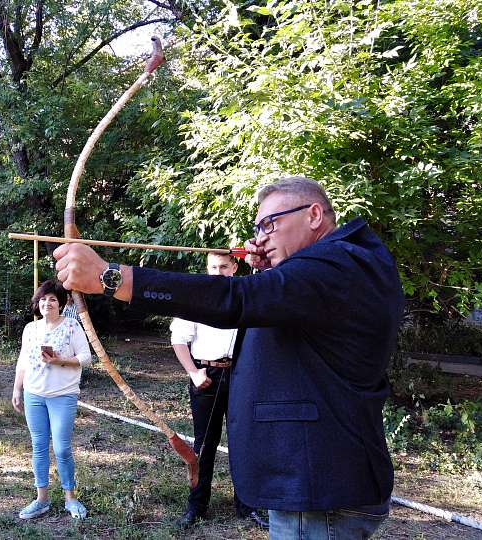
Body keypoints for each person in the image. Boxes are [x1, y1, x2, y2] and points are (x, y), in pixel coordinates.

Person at [53, 176, 404, 539]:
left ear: (314, 214)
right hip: (320, 479)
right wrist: (272, 271)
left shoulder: (336, 265)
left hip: (319, 486)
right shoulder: (340, 265)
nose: (261, 237)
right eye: (258, 228)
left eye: (271, 223)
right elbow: (290, 319)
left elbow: (234, 299)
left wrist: (111, 278)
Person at [170, 252, 268, 529]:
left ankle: (247, 505)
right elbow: (179, 340)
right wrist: (193, 372)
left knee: (244, 440)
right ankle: (197, 506)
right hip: (206, 375)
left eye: (224, 266)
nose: (218, 272)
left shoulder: (245, 294)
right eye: (213, 267)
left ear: (234, 267)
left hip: (240, 374)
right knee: (204, 443)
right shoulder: (195, 296)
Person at [12, 279, 92, 520]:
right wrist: (17, 389)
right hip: (34, 394)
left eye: (53, 299)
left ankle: (70, 498)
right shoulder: (31, 328)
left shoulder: (72, 326)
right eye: (43, 299)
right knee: (38, 446)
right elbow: (23, 360)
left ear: (62, 303)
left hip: (63, 395)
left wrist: (60, 361)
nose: (47, 303)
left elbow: (86, 358)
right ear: (38, 303)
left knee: (61, 448)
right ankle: (41, 499)